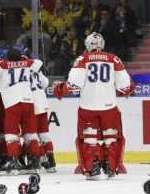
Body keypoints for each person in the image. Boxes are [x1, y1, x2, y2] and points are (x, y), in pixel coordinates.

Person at [53, 32, 133, 179]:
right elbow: (125, 87)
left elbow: (73, 86)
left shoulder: (82, 59)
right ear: (102, 44)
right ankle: (111, 167)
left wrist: (59, 89)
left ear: (88, 44)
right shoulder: (113, 58)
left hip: (87, 106)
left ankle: (92, 168)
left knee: (89, 138)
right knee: (111, 137)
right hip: (109, 106)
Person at [0, 48, 43, 174]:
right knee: (31, 133)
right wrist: (25, 60)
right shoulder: (28, 64)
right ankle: (35, 162)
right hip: (28, 101)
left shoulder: (3, 65)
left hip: (13, 102)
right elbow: (39, 63)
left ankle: (13, 162)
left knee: (11, 133)